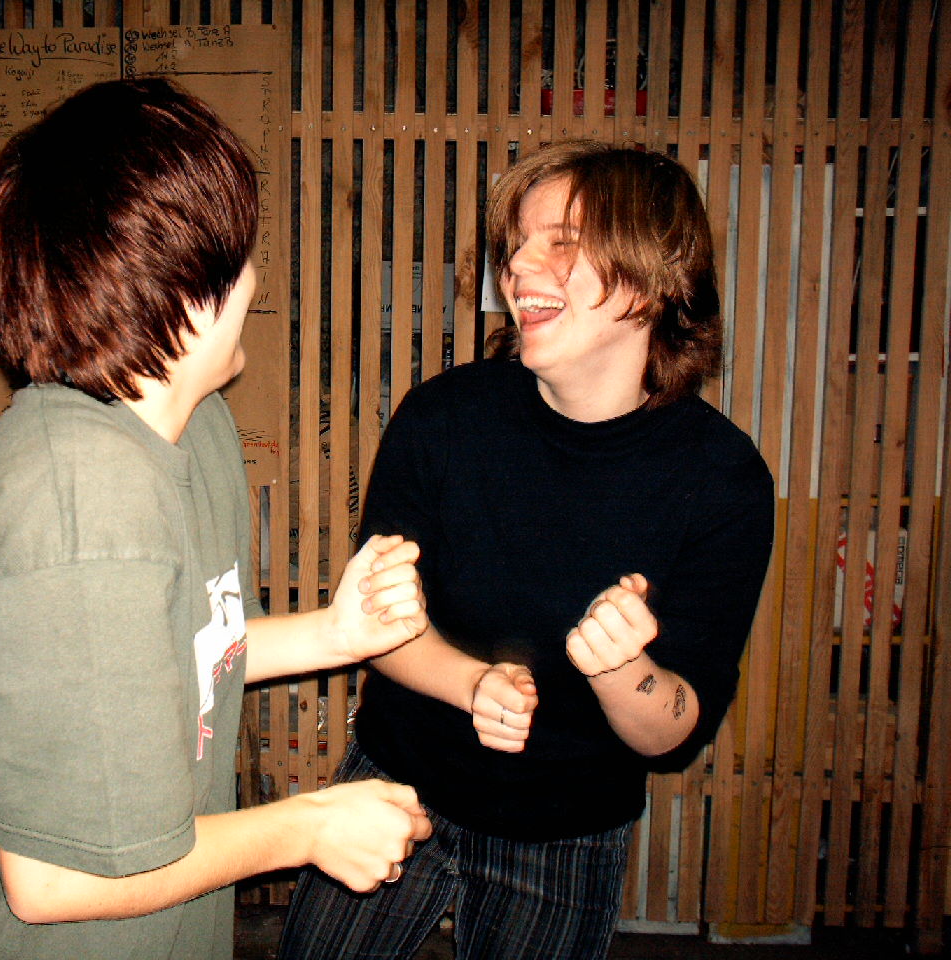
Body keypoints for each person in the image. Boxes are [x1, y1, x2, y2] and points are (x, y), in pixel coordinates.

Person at [0, 78, 432, 960]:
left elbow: (183, 656)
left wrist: (335, 633)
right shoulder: (84, 506)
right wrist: (311, 826)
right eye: (238, 256)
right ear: (185, 290)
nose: (254, 279)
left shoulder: (195, 429)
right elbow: (57, 882)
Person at [277, 140, 775, 960]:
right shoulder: (444, 418)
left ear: (654, 278)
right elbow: (373, 621)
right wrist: (472, 683)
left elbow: (675, 732)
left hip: (567, 830)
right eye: (516, 244)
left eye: (563, 241)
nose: (516, 267)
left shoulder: (722, 479)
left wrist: (622, 669)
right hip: (399, 778)